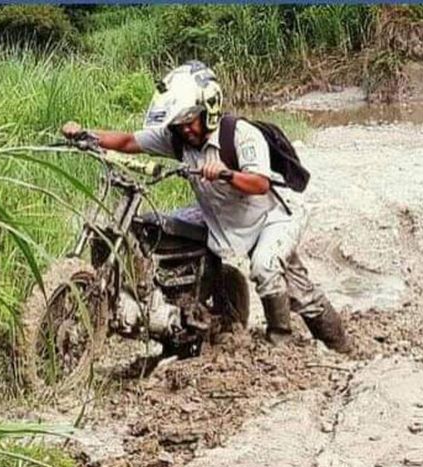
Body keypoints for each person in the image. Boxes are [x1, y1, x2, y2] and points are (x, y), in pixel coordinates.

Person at [61, 60, 351, 353]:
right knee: (160, 228)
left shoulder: (240, 134)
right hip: (223, 217)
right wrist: (86, 135)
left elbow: (260, 183)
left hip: (270, 216)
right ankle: (179, 308)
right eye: (178, 124)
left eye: (190, 121)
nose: (185, 129)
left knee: (273, 272)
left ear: (208, 110)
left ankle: (291, 343)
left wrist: (226, 173)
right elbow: (127, 140)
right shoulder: (177, 138)